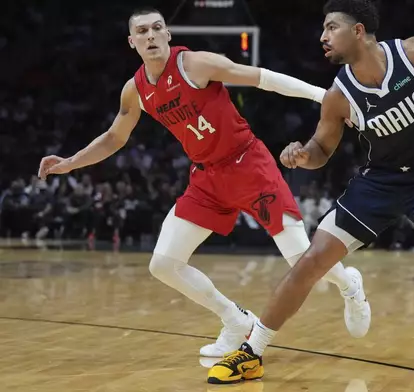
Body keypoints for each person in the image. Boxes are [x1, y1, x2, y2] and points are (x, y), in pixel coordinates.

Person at [208, 0, 414, 390]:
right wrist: (304, 154)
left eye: (331, 27)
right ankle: (252, 353)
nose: (322, 37)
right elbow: (322, 147)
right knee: (310, 261)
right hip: (379, 184)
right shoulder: (339, 96)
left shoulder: (413, 53)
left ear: (358, 31)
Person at [37, 7, 371, 358]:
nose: (151, 35)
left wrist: (325, 97)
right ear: (132, 42)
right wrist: (71, 163)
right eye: (142, 31)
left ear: (168, 34)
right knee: (163, 263)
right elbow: (114, 137)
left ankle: (350, 285)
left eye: (157, 28)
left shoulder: (194, 64)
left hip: (249, 165)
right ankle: (236, 320)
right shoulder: (134, 90)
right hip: (207, 178)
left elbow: (262, 77)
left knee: (299, 259)